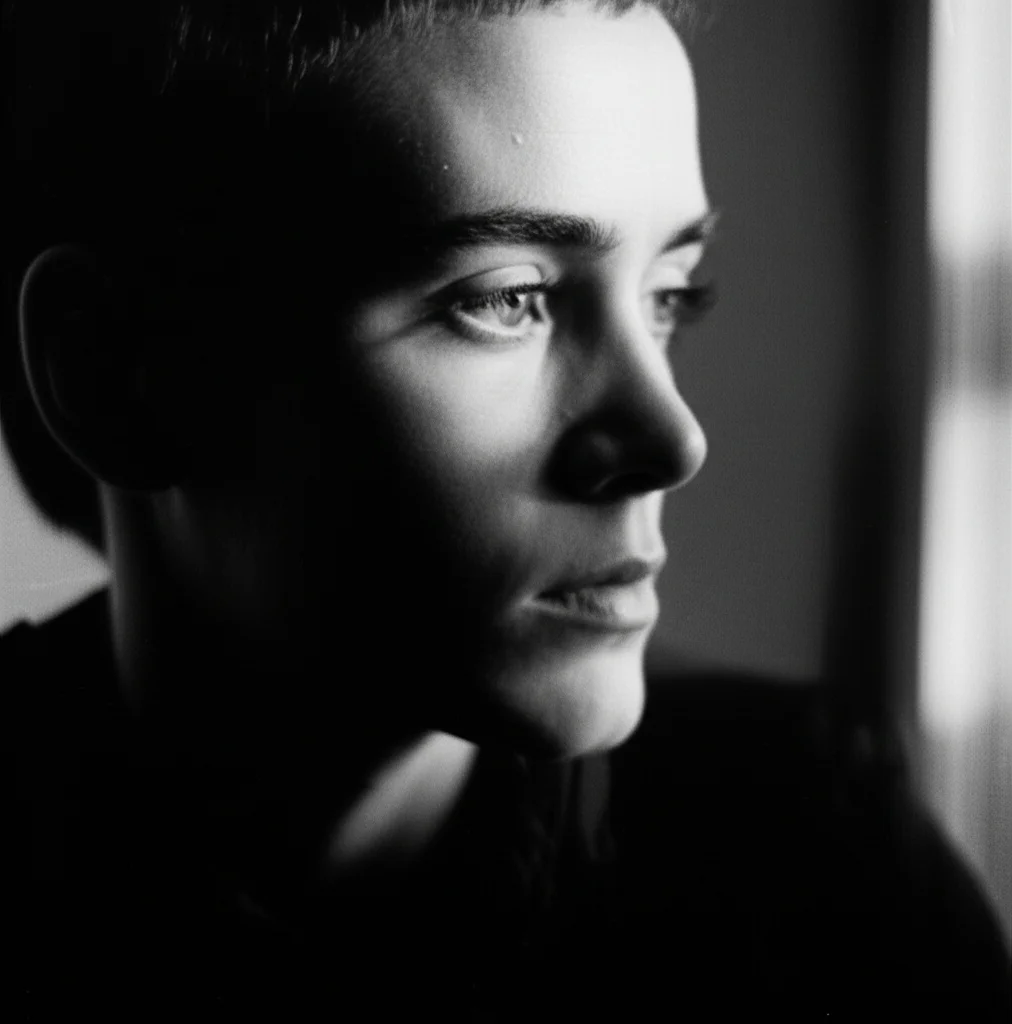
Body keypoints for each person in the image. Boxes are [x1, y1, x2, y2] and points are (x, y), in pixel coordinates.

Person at [2, 0, 1009, 1019]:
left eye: (670, 294)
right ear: (114, 377)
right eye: (505, 299)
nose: (673, 439)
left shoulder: (825, 871)